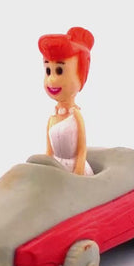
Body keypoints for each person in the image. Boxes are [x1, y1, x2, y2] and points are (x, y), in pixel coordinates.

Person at [38, 27, 95, 176]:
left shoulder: (75, 116)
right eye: (48, 71)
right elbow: (49, 151)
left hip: (75, 171)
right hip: (56, 170)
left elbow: (82, 150)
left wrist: (78, 172)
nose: (52, 79)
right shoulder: (52, 118)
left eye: (59, 71)